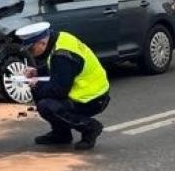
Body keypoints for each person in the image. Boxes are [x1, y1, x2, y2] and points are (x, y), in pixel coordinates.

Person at [16, 21, 109, 150]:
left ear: (42, 43)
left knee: (46, 105)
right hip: (90, 92)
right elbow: (58, 70)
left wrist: (37, 85)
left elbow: (59, 90)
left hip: (92, 98)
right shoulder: (59, 38)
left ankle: (90, 128)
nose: (30, 53)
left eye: (31, 49)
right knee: (40, 92)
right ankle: (61, 134)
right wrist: (38, 72)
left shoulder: (61, 55)